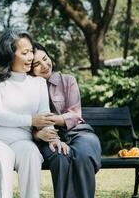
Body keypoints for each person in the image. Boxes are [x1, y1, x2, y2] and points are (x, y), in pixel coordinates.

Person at [0, 29, 56, 198]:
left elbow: (45, 116)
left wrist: (51, 136)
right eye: (25, 53)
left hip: (21, 141)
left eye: (31, 51)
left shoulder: (38, 83)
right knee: (2, 155)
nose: (31, 57)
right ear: (10, 55)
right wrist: (31, 120)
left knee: (32, 154)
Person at [31, 42, 102, 198]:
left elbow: (75, 115)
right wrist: (38, 134)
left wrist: (47, 120)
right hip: (48, 140)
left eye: (45, 58)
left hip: (79, 134)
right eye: (36, 64)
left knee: (83, 155)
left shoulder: (68, 80)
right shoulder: (28, 89)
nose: (44, 65)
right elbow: (28, 126)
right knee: (61, 158)